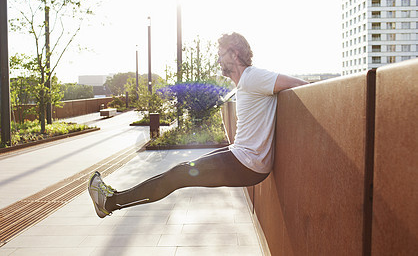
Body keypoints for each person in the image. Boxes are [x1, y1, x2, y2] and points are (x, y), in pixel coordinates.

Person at [88, 32, 308, 218]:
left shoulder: (253, 76)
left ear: (235, 53)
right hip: (242, 157)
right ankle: (112, 199)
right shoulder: (244, 83)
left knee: (177, 176)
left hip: (248, 163)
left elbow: (302, 86)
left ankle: (110, 202)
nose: (218, 60)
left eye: (221, 54)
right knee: (178, 173)